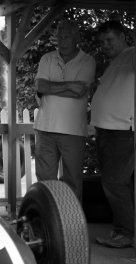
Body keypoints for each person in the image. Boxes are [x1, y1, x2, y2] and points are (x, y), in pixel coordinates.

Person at [33, 19, 96, 202]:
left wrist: (51, 87)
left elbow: (80, 92)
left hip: (73, 130)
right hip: (45, 128)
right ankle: (46, 220)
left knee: (73, 181)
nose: (62, 39)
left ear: (76, 37)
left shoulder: (87, 60)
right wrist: (69, 86)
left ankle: (72, 224)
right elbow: (41, 86)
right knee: (45, 181)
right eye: (59, 35)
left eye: (66, 35)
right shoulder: (47, 58)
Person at [91, 20, 136, 248]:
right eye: (102, 42)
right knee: (119, 184)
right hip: (107, 129)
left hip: (123, 130)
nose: (105, 45)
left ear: (123, 36)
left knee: (114, 182)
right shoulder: (116, 61)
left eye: (110, 40)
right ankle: (120, 230)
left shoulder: (135, 54)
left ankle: (129, 233)